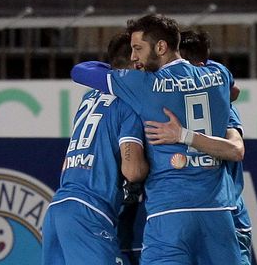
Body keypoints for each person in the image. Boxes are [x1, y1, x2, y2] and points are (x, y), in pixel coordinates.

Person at [70, 14, 239, 265]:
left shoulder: (145, 85)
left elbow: (80, 71)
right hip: (218, 212)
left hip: (170, 213)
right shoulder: (219, 73)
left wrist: (122, 74)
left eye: (138, 49)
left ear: (161, 47)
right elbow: (233, 91)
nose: (134, 57)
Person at [145, 30, 252, 264]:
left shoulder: (220, 109)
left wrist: (183, 135)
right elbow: (234, 89)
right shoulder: (168, 106)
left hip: (227, 213)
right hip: (196, 212)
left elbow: (235, 150)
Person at [42, 33, 149, 265]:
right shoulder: (129, 104)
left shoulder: (89, 98)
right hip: (90, 212)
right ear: (135, 62)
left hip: (58, 209)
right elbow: (132, 170)